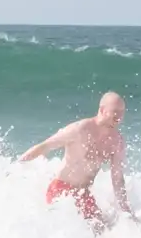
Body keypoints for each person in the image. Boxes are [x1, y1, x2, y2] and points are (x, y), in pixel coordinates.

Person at [22, 93, 134, 229]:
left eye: (122, 112)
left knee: (103, 230)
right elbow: (45, 146)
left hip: (83, 194)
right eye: (115, 112)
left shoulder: (117, 142)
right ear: (102, 110)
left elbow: (117, 178)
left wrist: (126, 210)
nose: (119, 117)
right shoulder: (80, 129)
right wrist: (16, 167)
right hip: (60, 191)